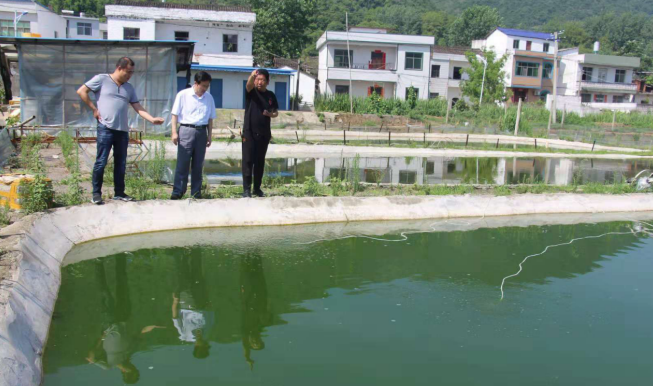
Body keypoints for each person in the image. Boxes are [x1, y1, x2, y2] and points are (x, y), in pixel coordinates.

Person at [77, 57, 164, 205]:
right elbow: (81, 91)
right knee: (101, 162)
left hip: (122, 131)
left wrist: (151, 119)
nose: (130, 75)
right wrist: (94, 109)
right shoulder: (102, 79)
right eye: (128, 72)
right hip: (105, 128)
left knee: (121, 163)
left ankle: (119, 193)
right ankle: (96, 194)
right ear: (119, 68)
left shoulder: (128, 88)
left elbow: (137, 107)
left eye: (132, 73)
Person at [170, 71, 216, 200]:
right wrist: (174, 132)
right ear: (196, 83)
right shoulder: (183, 95)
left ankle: (196, 192)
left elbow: (210, 119)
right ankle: (178, 191)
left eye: (207, 86)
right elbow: (175, 114)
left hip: (201, 132)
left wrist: (209, 135)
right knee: (183, 163)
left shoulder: (209, 98)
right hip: (186, 130)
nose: (205, 89)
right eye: (203, 86)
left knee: (198, 164)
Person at [242, 69, 279, 198]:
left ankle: (257, 188)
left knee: (259, 162)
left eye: (262, 80)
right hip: (249, 133)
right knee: (248, 161)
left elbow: (276, 112)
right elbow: (248, 85)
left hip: (264, 134)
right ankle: (246, 189)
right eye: (258, 79)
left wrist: (270, 114)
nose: (259, 82)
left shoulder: (271, 95)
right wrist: (252, 75)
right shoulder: (251, 92)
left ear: (267, 82)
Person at [172, 251, 214, 359]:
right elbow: (210, 312)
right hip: (201, 301)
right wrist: (207, 296)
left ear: (198, 347)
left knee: (183, 272)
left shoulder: (184, 335)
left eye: (204, 346)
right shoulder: (207, 333)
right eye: (206, 345)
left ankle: (182, 251)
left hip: (186, 302)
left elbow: (175, 317)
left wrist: (175, 301)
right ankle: (195, 248)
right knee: (197, 271)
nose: (206, 344)